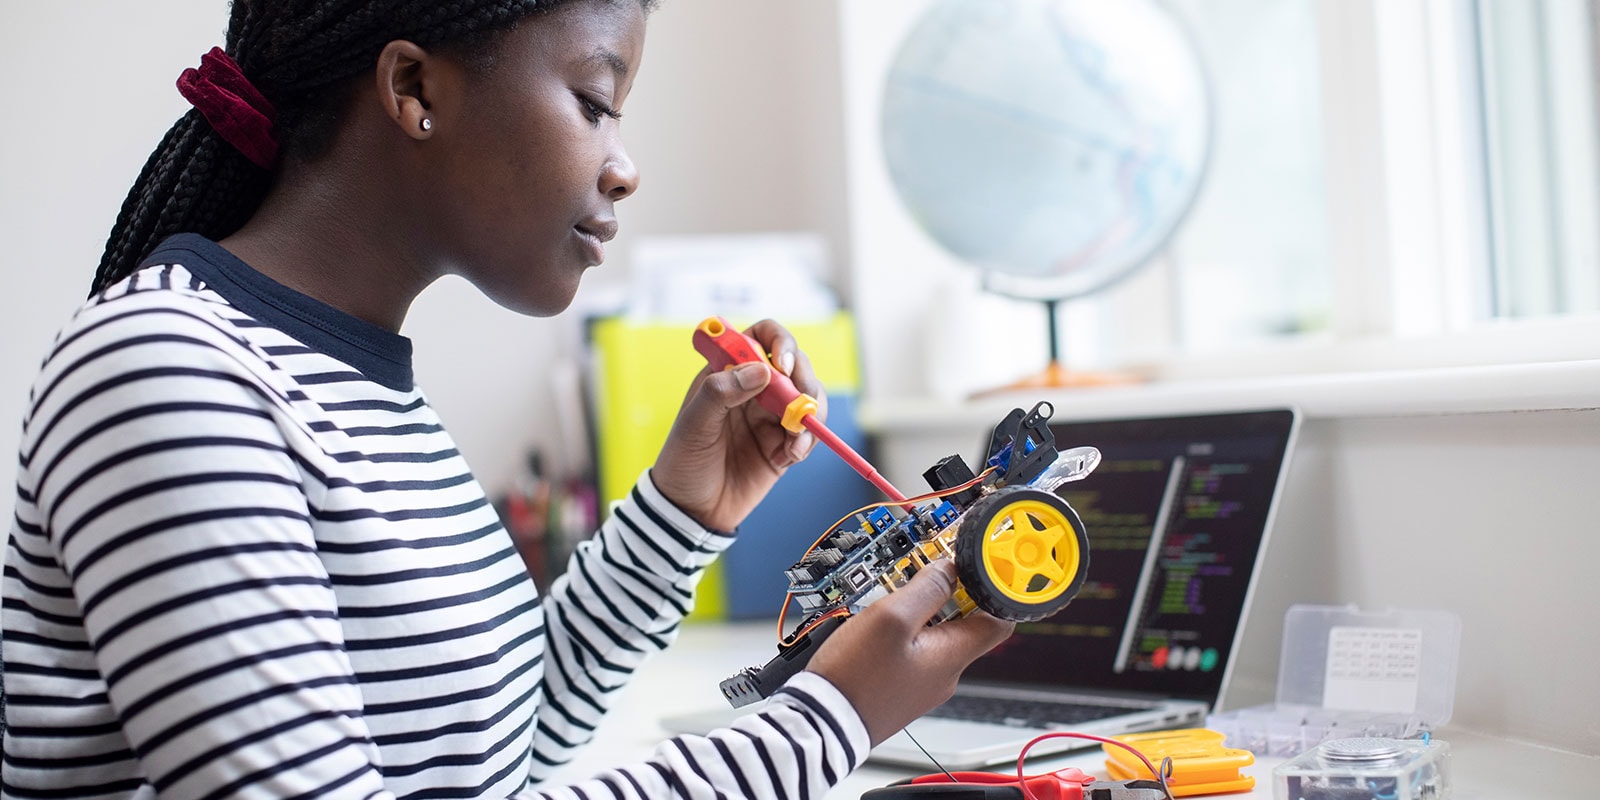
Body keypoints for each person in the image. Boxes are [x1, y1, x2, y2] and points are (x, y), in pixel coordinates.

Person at [0, 1, 1016, 797]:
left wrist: (678, 513)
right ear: (412, 86)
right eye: (594, 102)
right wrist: (826, 719)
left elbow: (494, 752)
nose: (624, 168)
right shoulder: (168, 372)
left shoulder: (362, 388)